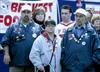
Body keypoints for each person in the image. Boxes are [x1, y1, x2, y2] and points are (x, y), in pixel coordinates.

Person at [1, 5, 41, 72]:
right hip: (15, 64)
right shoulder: (13, 27)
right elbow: (5, 41)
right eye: (24, 12)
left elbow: (44, 41)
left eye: (28, 12)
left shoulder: (38, 28)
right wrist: (6, 54)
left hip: (32, 65)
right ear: (21, 13)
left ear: (31, 14)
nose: (26, 14)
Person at [61, 8, 100, 72]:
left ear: (85, 18)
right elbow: (63, 48)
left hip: (87, 69)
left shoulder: (92, 32)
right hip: (70, 68)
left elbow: (97, 49)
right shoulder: (68, 31)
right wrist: (64, 61)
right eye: (76, 16)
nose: (78, 18)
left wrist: (91, 63)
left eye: (81, 16)